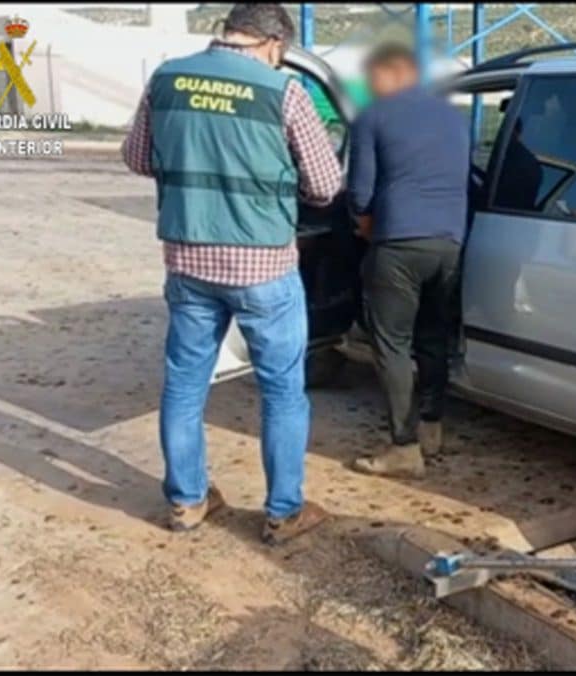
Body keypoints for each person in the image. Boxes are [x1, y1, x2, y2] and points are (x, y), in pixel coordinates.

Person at [121, 4, 342, 544]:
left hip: (188, 259)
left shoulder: (167, 78)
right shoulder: (283, 91)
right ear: (274, 43)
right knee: (282, 391)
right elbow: (325, 185)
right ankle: (283, 512)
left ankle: (187, 501)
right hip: (263, 265)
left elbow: (137, 158)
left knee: (184, 384)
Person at [346, 42, 470, 479]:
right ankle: (432, 429)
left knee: (393, 344)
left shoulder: (373, 115)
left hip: (398, 242)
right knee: (434, 336)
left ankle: (404, 446)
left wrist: (365, 225)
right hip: (450, 243)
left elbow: (360, 191)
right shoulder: (454, 119)